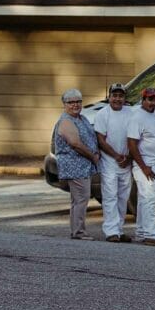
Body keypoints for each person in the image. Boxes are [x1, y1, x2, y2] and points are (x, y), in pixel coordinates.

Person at [53, 88, 99, 240]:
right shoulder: (66, 121)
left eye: (78, 101)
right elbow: (75, 144)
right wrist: (93, 156)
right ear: (64, 104)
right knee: (81, 198)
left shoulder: (81, 118)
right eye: (71, 102)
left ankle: (76, 230)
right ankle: (79, 232)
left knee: (78, 199)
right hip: (74, 166)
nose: (75, 105)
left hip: (82, 166)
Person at [127, 87, 155, 247]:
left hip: (153, 164)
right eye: (149, 99)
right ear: (143, 100)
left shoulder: (154, 115)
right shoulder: (138, 116)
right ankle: (152, 234)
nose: (153, 103)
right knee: (149, 200)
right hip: (144, 165)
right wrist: (143, 167)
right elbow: (131, 143)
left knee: (144, 200)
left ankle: (142, 231)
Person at [94, 83, 133, 243]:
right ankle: (111, 231)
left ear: (125, 98)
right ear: (109, 97)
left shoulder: (131, 113)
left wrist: (129, 157)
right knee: (110, 197)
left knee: (123, 197)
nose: (117, 99)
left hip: (127, 162)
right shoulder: (103, 114)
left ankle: (119, 229)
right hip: (110, 162)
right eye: (114, 95)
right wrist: (117, 156)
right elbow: (100, 140)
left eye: (120, 96)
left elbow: (135, 137)